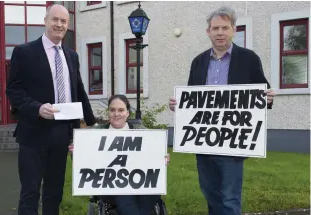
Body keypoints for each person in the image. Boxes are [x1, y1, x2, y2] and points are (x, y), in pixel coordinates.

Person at [169, 6, 275, 215]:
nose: (220, 32)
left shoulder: (249, 59)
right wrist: (179, 106)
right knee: (211, 195)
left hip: (232, 143)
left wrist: (267, 99)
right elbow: (192, 97)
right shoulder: (198, 62)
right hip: (203, 142)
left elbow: (261, 93)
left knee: (229, 198)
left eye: (225, 28)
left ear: (234, 30)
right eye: (215, 28)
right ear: (208, 31)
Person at [5, 4, 96, 215]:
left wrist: (91, 123)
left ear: (68, 25)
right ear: (45, 21)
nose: (59, 24)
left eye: (64, 21)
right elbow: (13, 90)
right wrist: (37, 108)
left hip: (61, 134)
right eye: (55, 19)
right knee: (30, 191)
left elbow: (78, 89)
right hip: (33, 133)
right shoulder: (24, 52)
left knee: (54, 192)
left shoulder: (71, 55)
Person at [69, 94, 170, 215]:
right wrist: (76, 152)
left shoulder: (142, 132)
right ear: (108, 112)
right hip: (113, 184)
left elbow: (155, 155)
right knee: (124, 194)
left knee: (147, 197)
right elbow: (83, 161)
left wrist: (162, 158)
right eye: (112, 110)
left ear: (127, 113)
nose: (116, 114)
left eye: (121, 110)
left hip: (143, 183)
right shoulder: (95, 134)